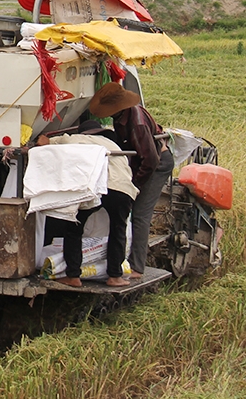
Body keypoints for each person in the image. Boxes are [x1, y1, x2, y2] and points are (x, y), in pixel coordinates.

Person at [88, 81, 174, 279]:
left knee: (140, 214)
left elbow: (151, 160)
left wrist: (134, 186)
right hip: (145, 163)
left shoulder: (137, 124)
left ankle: (137, 266)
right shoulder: (122, 117)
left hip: (157, 164)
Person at [37, 120, 137, 287]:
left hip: (99, 187)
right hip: (123, 189)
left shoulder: (86, 139)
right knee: (118, 231)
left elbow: (64, 141)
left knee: (74, 228)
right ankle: (115, 276)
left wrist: (46, 141)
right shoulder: (114, 145)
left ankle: (73, 276)